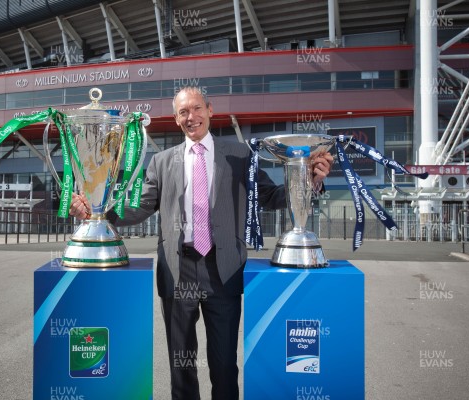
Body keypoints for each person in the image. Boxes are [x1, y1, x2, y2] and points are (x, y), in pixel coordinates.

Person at [70, 87, 333, 399]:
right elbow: (139, 207)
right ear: (176, 118)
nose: (190, 117)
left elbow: (272, 196)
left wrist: (310, 179)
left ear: (210, 110)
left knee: (224, 364)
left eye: (196, 109)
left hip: (224, 270)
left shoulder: (239, 156)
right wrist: (97, 213)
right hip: (177, 269)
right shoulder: (162, 162)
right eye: (183, 112)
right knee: (182, 365)